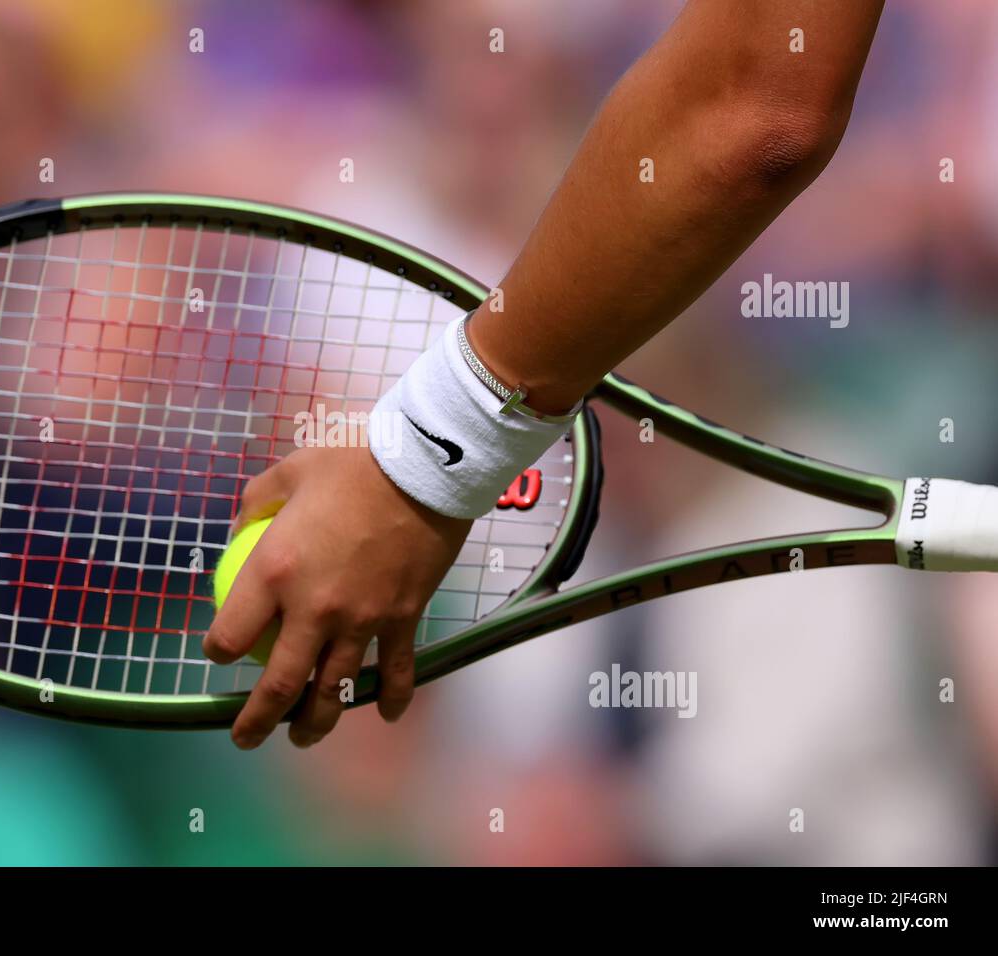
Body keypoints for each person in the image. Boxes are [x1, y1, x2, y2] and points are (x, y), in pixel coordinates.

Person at [204, 0, 887, 750]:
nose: (492, 94)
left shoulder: (629, 225)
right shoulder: (351, 212)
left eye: (522, 63)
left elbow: (762, 115)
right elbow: (757, 111)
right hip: (458, 683)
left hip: (624, 642)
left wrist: (427, 459)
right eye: (470, 51)